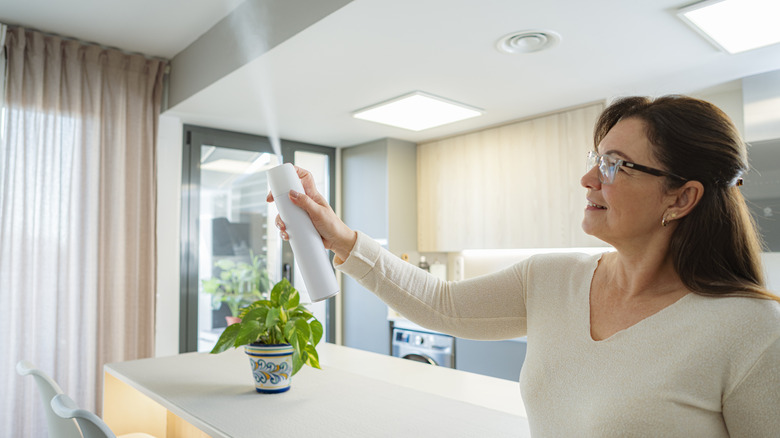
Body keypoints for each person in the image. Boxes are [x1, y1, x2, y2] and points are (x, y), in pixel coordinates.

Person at [267, 95, 780, 437]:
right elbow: (442, 305)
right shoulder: (552, 278)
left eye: (614, 165)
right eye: (595, 158)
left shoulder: (751, 330)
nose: (588, 179)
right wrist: (338, 236)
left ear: (682, 197)